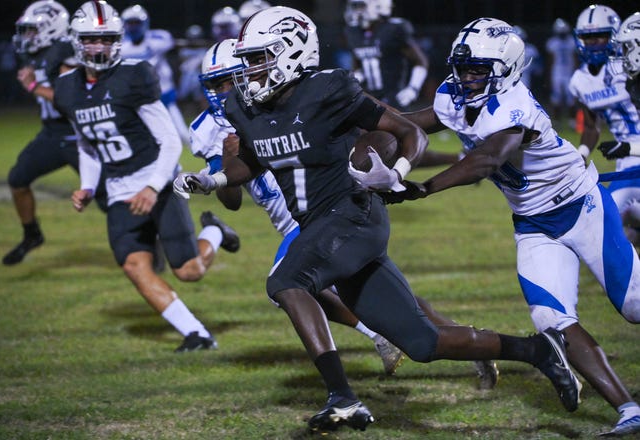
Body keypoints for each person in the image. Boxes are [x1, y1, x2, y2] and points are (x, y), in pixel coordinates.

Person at [173, 7, 581, 433]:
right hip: (321, 225)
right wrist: (212, 178)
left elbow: (412, 133)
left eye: (259, 58)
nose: (250, 70)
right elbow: (255, 160)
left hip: (354, 213)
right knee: (423, 343)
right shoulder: (247, 108)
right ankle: (539, 350)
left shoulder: (328, 89)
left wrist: (396, 175)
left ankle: (343, 398)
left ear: (290, 52)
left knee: (286, 281)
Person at [181, 38, 498, 383]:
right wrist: (224, 166)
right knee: (378, 296)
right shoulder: (211, 127)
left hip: (329, 211)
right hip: (295, 218)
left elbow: (390, 128)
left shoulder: (299, 98)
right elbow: (233, 200)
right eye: (214, 84)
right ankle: (467, 341)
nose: (222, 90)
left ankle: (378, 341)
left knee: (290, 284)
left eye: (228, 80)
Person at [396, 17, 640, 436]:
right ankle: (629, 410)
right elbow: (415, 121)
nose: (467, 77)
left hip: (581, 207)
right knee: (551, 319)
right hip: (533, 223)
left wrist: (423, 188)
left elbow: (487, 160)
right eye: (463, 67)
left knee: (635, 307)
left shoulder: (513, 105)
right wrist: (366, 120)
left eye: (478, 70)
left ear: (505, 69)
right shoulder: (455, 95)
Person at [54, 0, 241, 353]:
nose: (100, 47)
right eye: (92, 40)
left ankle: (215, 231)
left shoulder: (133, 76)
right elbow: (88, 143)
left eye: (107, 39)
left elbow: (170, 139)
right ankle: (197, 334)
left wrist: (153, 187)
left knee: (189, 272)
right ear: (77, 42)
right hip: (119, 188)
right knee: (134, 265)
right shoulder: (67, 88)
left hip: (158, 178)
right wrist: (88, 185)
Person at [3, 0, 107, 266]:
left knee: (110, 198)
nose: (28, 37)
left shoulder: (66, 52)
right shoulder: (40, 53)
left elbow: (73, 99)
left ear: (52, 28)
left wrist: (34, 86)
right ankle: (32, 234)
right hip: (52, 135)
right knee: (17, 179)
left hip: (79, 137)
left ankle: (149, 241)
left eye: (33, 30)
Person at [569, 5, 640, 249]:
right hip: (626, 159)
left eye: (600, 36)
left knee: (609, 221)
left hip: (634, 150)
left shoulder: (629, 65)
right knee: (606, 223)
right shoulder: (580, 80)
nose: (594, 43)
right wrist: (581, 154)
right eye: (588, 38)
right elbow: (591, 126)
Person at [120, 4, 188, 143]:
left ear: (145, 23)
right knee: (146, 136)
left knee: (182, 134)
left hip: (164, 94)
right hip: (139, 98)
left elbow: (168, 42)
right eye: (130, 23)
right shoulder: (122, 47)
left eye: (137, 23)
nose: (133, 27)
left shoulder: (158, 39)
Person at [343, 0, 429, 110]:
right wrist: (357, 78)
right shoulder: (353, 31)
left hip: (394, 98)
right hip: (368, 97)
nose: (357, 11)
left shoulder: (393, 29)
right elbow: (357, 64)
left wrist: (413, 88)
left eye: (361, 6)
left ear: (379, 5)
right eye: (355, 6)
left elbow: (421, 61)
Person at [545, 18, 577, 126]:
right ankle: (556, 120)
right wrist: (549, 75)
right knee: (556, 98)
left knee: (571, 98)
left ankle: (572, 121)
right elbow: (550, 61)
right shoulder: (552, 42)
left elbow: (575, 58)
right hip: (557, 72)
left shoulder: (572, 41)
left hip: (569, 72)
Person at [513, 25, 543, 91]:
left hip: (526, 75)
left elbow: (538, 63)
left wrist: (537, 71)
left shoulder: (531, 49)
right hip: (512, 76)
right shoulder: (509, 49)